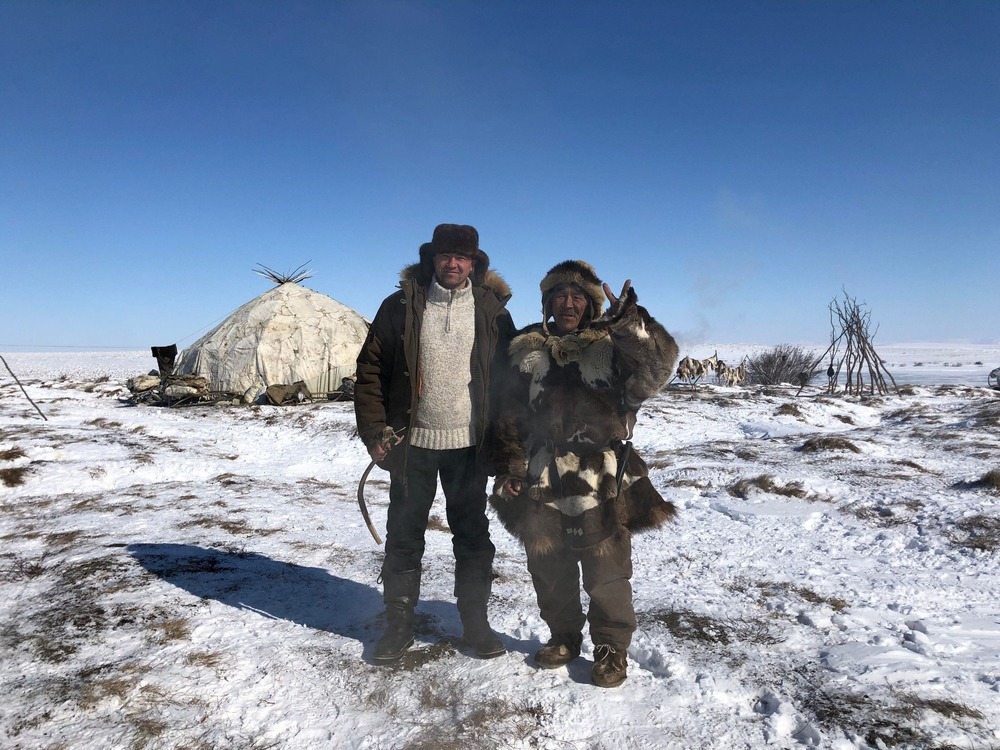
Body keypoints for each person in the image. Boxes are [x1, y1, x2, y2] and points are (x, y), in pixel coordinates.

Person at [489, 260, 678, 688]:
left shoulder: (612, 347)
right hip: (542, 472)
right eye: (559, 295)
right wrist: (510, 464)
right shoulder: (527, 351)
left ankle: (611, 647)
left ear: (591, 305)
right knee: (547, 562)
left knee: (606, 566)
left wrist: (631, 321)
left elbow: (657, 370)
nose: (568, 303)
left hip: (602, 473)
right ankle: (564, 635)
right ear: (547, 303)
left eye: (578, 297)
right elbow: (508, 413)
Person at [354, 223, 515, 664]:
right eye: (446, 255)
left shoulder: (493, 311)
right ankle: (399, 624)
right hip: (412, 444)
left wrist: (507, 446)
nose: (453, 263)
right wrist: (374, 432)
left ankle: (476, 624)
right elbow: (369, 370)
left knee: (472, 535)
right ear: (433, 259)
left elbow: (509, 380)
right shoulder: (401, 305)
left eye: (462, 257)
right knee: (404, 535)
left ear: (474, 263)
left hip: (469, 447)